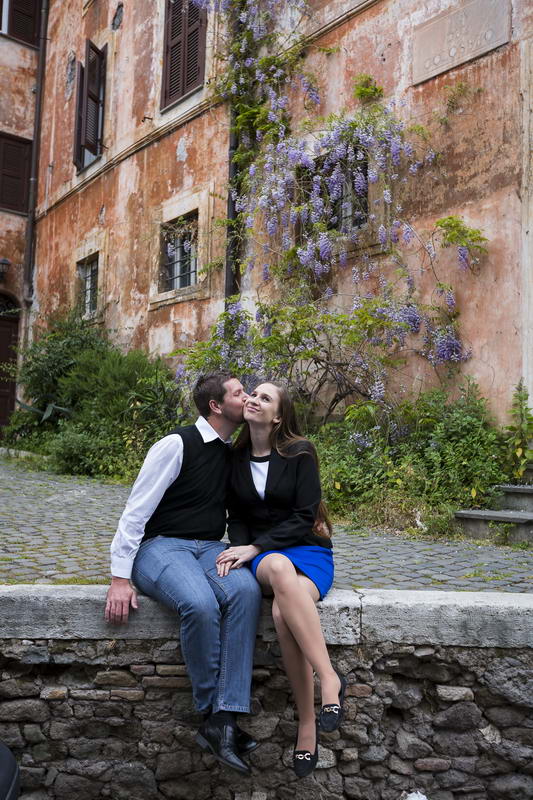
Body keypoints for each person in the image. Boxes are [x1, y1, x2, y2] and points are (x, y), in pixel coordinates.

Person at [104, 371, 263, 776]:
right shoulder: (176, 444)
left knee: (245, 593)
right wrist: (120, 577)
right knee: (198, 603)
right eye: (239, 392)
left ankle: (225, 718)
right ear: (216, 405)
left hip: (210, 548)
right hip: (160, 547)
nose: (246, 397)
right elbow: (135, 511)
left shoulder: (232, 451)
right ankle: (212, 711)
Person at [216, 381, 346, 778]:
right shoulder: (234, 457)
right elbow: (236, 515)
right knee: (276, 568)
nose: (254, 399)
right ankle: (329, 679)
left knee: (281, 617)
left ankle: (307, 722)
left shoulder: (299, 452)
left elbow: (305, 514)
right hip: (265, 556)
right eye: (252, 394)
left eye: (265, 398)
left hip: (307, 551)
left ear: (278, 417)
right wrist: (245, 548)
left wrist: (256, 548)